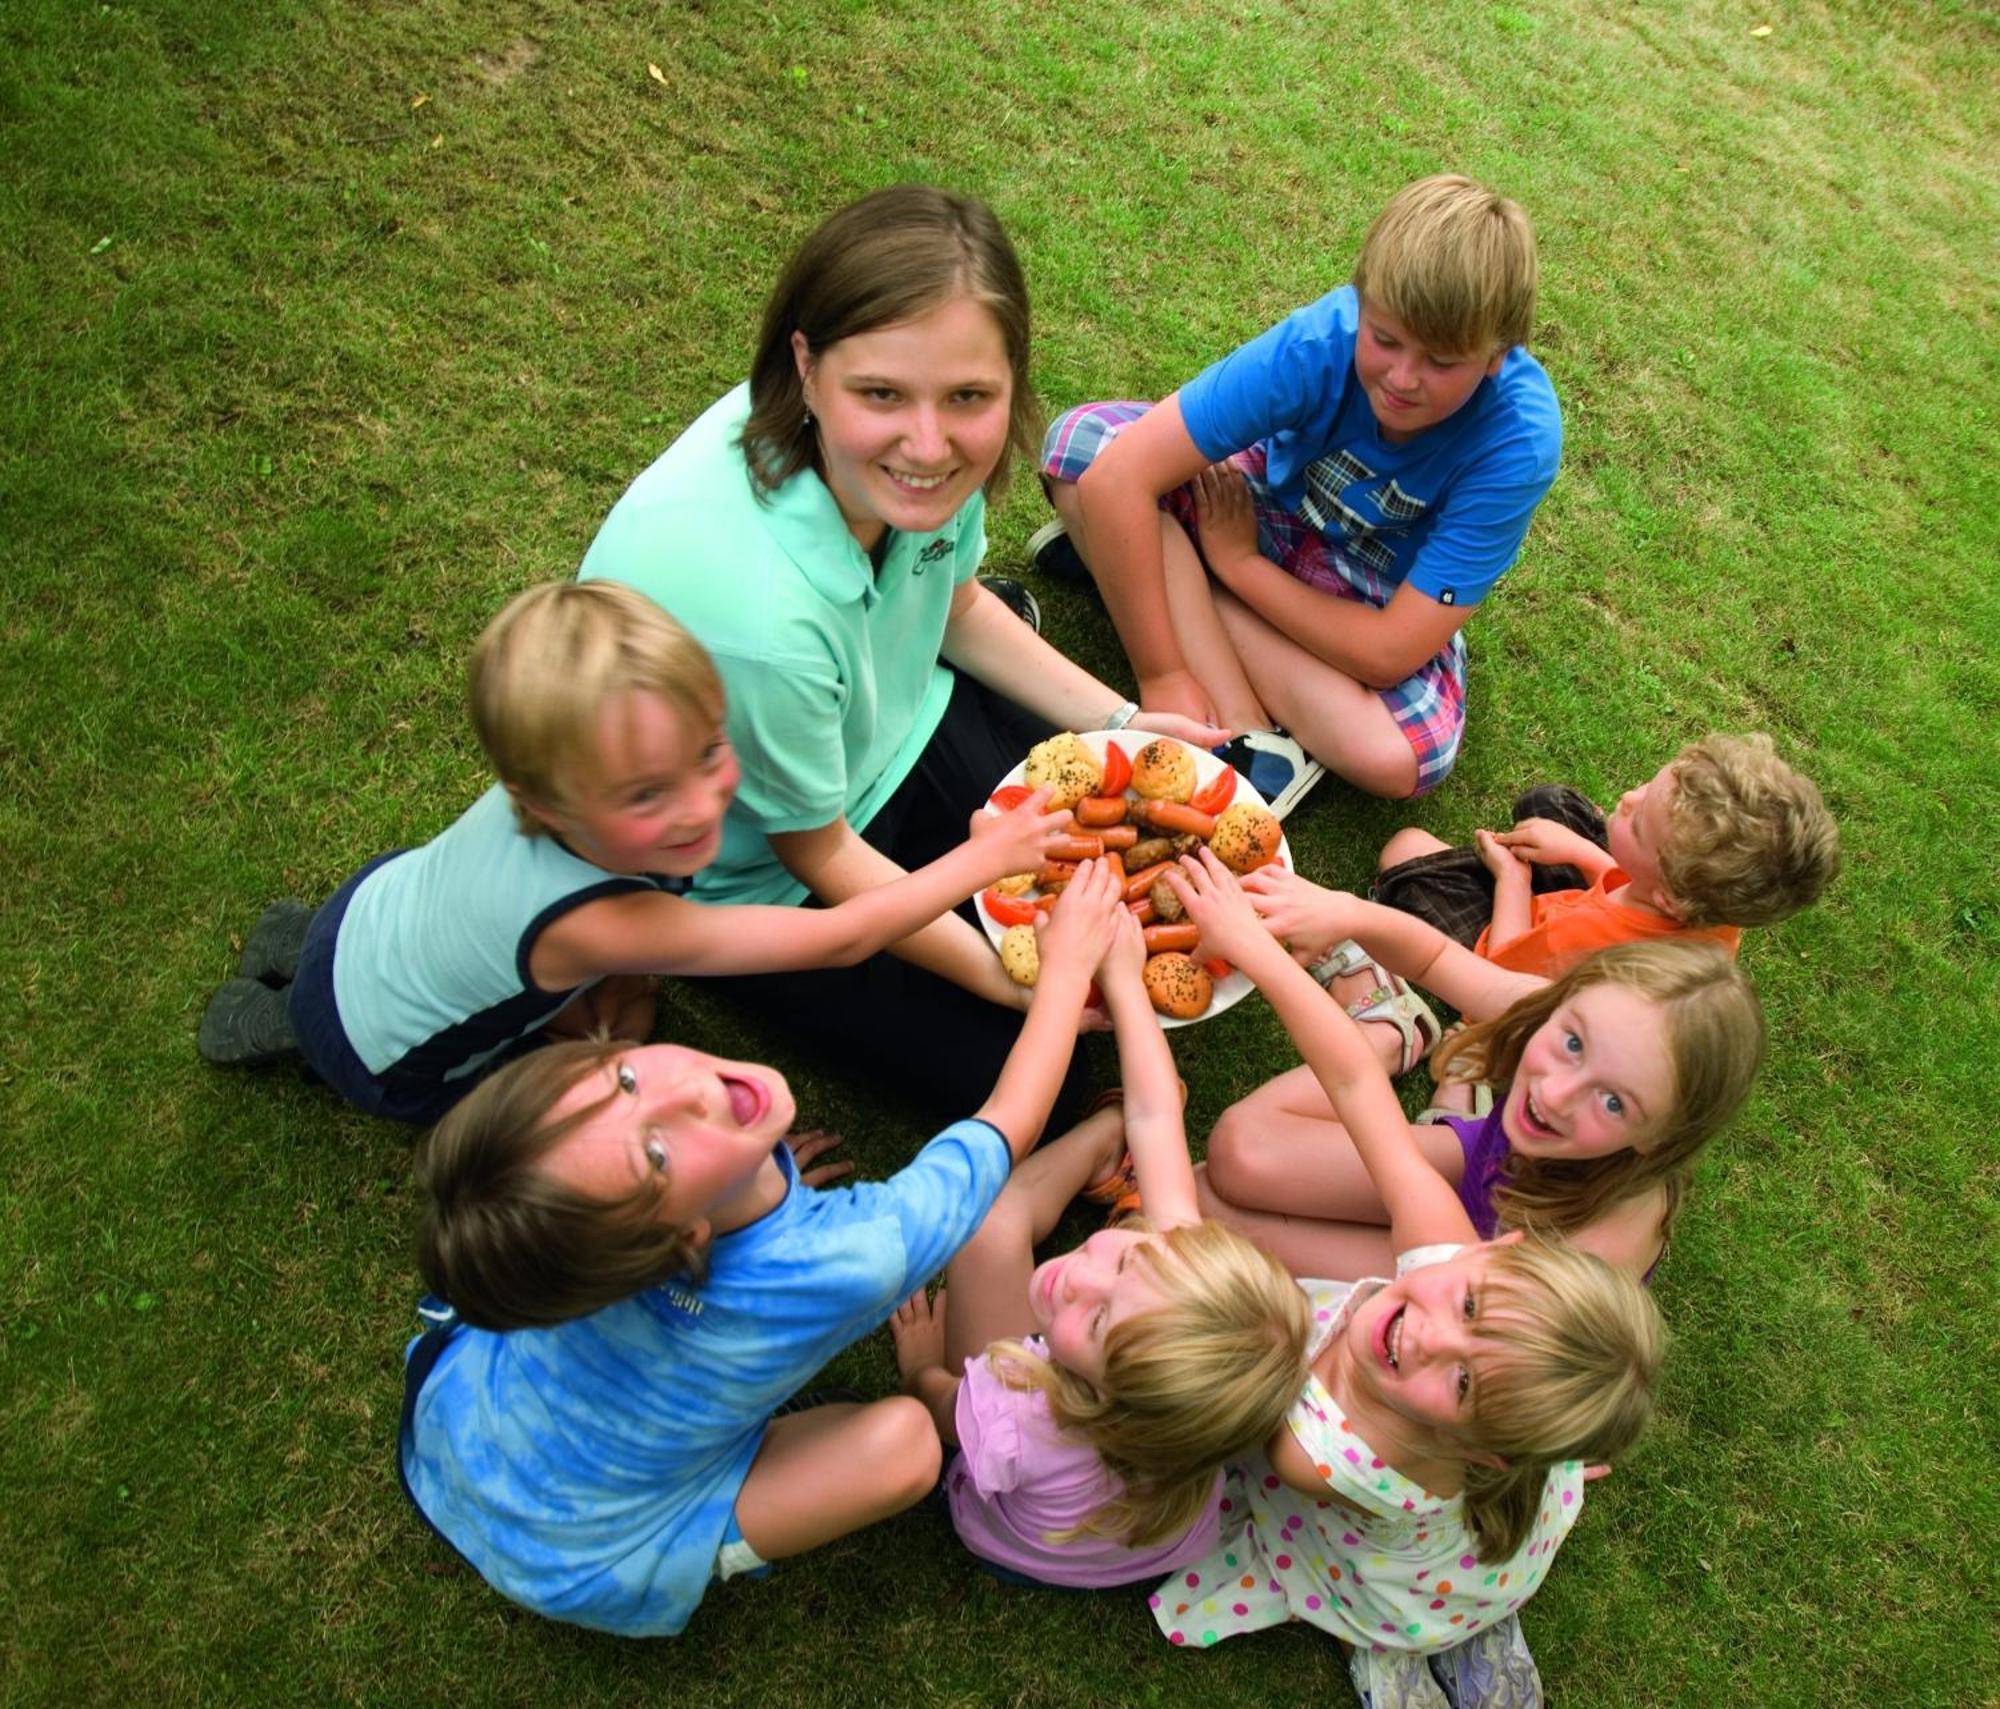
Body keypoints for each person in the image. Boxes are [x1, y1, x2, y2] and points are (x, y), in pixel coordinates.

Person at [578, 184, 1225, 1131]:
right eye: (882, 394)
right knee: (1042, 1080)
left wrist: (1120, 722)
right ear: (806, 365)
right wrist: (1015, 985)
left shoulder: (914, 463)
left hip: (893, 710)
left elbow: (955, 606)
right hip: (775, 866)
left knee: (1136, 842)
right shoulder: (759, 622)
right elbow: (822, 850)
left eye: (971, 396)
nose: (929, 445)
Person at [396, 859, 1130, 1637]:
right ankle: (709, 1546)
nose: (690, 1092)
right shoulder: (848, 1259)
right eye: (655, 1157)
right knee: (910, 1445)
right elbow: (1007, 1123)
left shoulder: (560, 1255)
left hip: (459, 1423)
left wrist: (738, 1181)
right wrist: (1066, 971)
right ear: (685, 1237)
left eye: (623, 1082)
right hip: (587, 1552)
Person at [196, 580, 1070, 1124]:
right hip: (385, 1044)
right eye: (647, 794)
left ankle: (295, 944)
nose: (701, 808)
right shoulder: (600, 920)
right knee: (549, 1100)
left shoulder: (554, 776)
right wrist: (980, 860)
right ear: (549, 803)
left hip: (371, 910)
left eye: (706, 753)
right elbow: (835, 939)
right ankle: (287, 1030)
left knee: (534, 990)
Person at [1143, 850, 1662, 1689]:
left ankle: (1417, 1616)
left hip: (1398, 1586)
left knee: (1196, 1237)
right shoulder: (1452, 1274)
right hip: (1484, 1493)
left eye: (1461, 1384)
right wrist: (1259, 946)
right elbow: (1353, 1081)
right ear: (1497, 1249)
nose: (1425, 1333)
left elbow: (1198, 1319)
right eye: (1464, 1302)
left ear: (1489, 1452)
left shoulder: (1316, 1451)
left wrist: (1151, 1121)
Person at [1035, 174, 1559, 805]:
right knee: (1083, 448)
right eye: (1384, 339)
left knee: (1397, 758)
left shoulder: (1517, 442)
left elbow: (1390, 651)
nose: (1402, 378)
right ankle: (1250, 736)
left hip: (1371, 587)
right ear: (1362, 303)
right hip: (1270, 504)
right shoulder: (1320, 341)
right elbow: (1119, 474)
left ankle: (1152, 568)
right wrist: (1164, 674)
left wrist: (1239, 564)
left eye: (1442, 363)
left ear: (1497, 355)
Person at [887, 906, 1309, 1589]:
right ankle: (1108, 1140)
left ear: (1118, 1402)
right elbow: (1158, 1109)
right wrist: (1121, 977)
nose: (1080, 1272)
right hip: (1141, 1539)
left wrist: (918, 1370)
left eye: (1101, 1320)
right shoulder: (1185, 1405)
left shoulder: (1019, 1407)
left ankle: (1097, 1141)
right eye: (1125, 1255)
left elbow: (942, 1415)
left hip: (1006, 1536)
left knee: (987, 1226)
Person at [1199, 867, 1766, 1278]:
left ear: (1660, 1139)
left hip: (1464, 1273)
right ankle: (1392, 1035)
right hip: (1483, 1167)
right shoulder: (1583, 1014)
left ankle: (1410, 1064)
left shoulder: (1587, 1260)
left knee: (1212, 1215)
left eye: (1614, 1102)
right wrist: (1350, 912)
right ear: (1566, 999)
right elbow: (1437, 962)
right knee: (1236, 1152)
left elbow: (1446, 1304)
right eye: (1571, 1042)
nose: (1558, 1093)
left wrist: (1259, 954)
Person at [1370, 732, 1840, 978]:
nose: (1629, 798)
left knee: (1406, 850)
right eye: (1646, 789)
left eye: (1638, 824)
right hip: (1610, 909)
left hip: (1515, 960)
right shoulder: (1709, 917)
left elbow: (1496, 981)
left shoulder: (1580, 939)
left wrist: (1511, 880)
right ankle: (1618, 846)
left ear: (1670, 898)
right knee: (1551, 806)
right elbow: (1635, 890)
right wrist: (1579, 849)